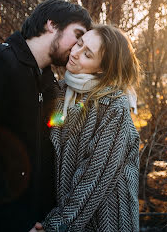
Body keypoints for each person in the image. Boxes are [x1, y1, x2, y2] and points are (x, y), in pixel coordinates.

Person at [0, 0, 92, 232]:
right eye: (77, 35)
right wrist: (16, 222)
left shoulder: (46, 81)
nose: (76, 48)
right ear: (52, 25)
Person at [37, 25, 141, 231]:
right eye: (79, 43)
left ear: (101, 68)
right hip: (68, 215)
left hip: (106, 222)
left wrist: (55, 226)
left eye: (87, 54)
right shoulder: (60, 92)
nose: (75, 53)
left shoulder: (113, 105)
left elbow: (94, 177)